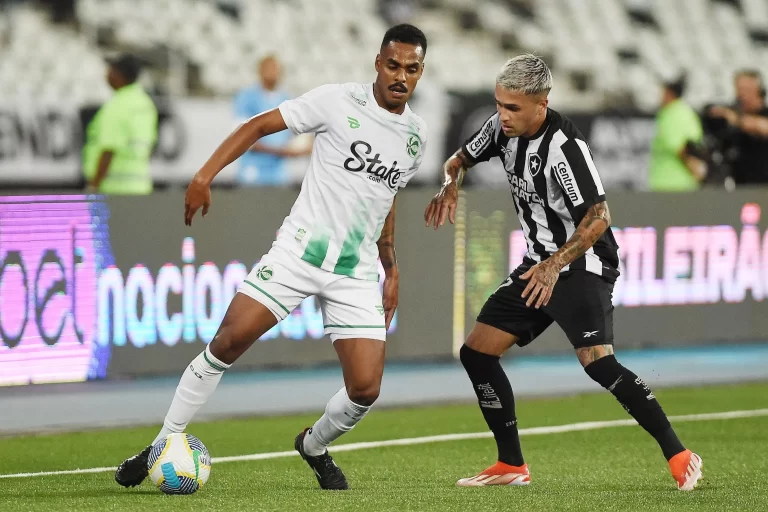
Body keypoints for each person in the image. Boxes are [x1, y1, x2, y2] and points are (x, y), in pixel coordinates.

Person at [114, 24, 428, 491]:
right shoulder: (337, 100)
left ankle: (314, 445)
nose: (401, 75)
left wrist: (392, 266)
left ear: (421, 73)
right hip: (299, 253)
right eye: (393, 65)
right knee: (228, 341)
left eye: (412, 68)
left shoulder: (415, 137)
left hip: (356, 271)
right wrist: (204, 176)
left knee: (365, 390)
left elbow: (385, 198)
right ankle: (164, 440)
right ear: (377, 64)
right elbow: (258, 125)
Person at [425, 54, 702, 491]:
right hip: (539, 264)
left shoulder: (564, 149)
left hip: (581, 263)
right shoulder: (500, 129)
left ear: (542, 103)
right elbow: (458, 160)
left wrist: (555, 265)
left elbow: (598, 216)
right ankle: (511, 465)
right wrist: (449, 184)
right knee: (476, 353)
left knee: (598, 364)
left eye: (513, 108)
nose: (502, 115)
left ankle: (680, 454)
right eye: (499, 104)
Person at [82, 54, 158, 194]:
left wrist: (93, 186)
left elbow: (109, 149)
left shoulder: (117, 106)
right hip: (141, 185)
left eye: (111, 70)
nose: (107, 74)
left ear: (119, 75)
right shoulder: (145, 103)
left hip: (114, 189)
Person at [233, 55, 311, 186]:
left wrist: (306, 145)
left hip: (278, 173)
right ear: (260, 71)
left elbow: (296, 131)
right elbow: (243, 137)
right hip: (253, 171)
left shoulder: (286, 99)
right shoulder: (246, 98)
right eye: (269, 68)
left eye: (276, 69)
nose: (273, 73)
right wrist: (283, 152)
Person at [708, 70, 768, 185]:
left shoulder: (764, 113)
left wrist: (736, 120)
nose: (742, 94)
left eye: (747, 90)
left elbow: (761, 126)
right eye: (739, 89)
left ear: (759, 91)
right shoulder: (733, 114)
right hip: (740, 184)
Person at [649, 77, 706, 191]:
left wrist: (695, 170)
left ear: (669, 94)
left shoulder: (671, 114)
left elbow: (680, 147)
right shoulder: (687, 112)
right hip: (687, 183)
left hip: (670, 183)